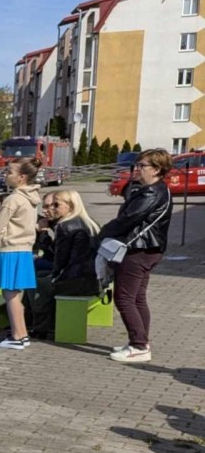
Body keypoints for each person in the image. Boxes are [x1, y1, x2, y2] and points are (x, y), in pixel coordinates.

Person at [99, 148, 173, 363]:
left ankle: (139, 346)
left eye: (142, 166)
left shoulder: (152, 192)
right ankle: (141, 341)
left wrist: (101, 233)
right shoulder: (153, 189)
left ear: (157, 169)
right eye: (136, 165)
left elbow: (128, 219)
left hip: (139, 249)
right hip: (149, 249)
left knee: (124, 298)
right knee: (138, 297)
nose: (137, 169)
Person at [29, 190, 101, 339]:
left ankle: (40, 328)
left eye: (56, 205)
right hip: (93, 278)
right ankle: (40, 323)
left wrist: (42, 234)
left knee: (37, 283)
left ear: (70, 206)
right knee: (40, 275)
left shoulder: (65, 226)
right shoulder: (90, 222)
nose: (52, 209)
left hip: (76, 281)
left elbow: (58, 261)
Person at [0, 160, 41, 350]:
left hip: (11, 249)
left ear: (21, 177)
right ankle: (22, 333)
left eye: (9, 172)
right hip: (25, 249)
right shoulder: (32, 197)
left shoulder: (13, 199)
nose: (5, 175)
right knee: (16, 294)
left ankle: (18, 336)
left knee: (9, 294)